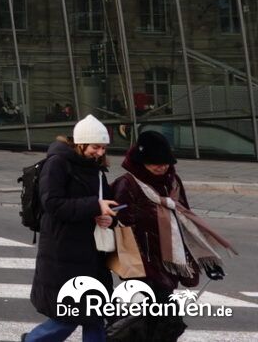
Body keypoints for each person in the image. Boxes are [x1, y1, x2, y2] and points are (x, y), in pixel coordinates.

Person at [110, 131, 235, 341]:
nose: (162, 167)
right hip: (142, 264)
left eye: (165, 162)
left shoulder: (172, 182)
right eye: (155, 163)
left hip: (169, 262)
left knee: (159, 324)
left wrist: (207, 262)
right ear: (141, 161)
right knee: (160, 322)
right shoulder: (127, 184)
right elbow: (121, 230)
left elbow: (186, 222)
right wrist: (138, 269)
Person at [24, 114, 119, 342]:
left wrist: (109, 219)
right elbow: (52, 203)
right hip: (63, 251)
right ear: (80, 143)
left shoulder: (96, 169)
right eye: (95, 147)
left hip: (92, 253)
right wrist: (94, 206)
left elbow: (105, 203)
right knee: (68, 316)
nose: (100, 153)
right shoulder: (57, 163)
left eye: (103, 148)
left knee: (95, 313)